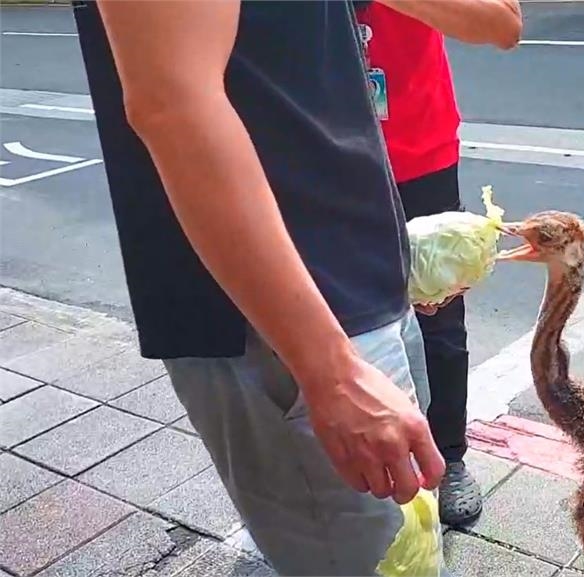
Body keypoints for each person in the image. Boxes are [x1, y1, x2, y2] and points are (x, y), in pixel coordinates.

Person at [69, 0, 512, 574]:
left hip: (345, 295)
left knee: (401, 551)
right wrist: (328, 370)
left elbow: (498, 22)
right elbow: (173, 104)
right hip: (287, 327)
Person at [353, 0, 522, 526]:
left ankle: (449, 458)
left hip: (420, 149)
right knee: (340, 317)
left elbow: (504, 24)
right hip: (322, 154)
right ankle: (356, 465)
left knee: (439, 318)